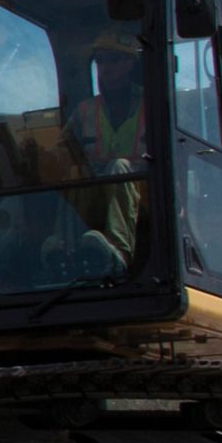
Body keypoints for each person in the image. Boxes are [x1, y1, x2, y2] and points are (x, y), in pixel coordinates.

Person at [66, 25, 147, 272]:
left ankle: (119, 252)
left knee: (121, 166)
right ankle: (63, 247)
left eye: (113, 60)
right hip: (96, 190)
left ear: (130, 63)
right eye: (100, 61)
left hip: (144, 191)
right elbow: (62, 151)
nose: (105, 68)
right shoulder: (84, 111)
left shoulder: (152, 106)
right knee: (72, 173)